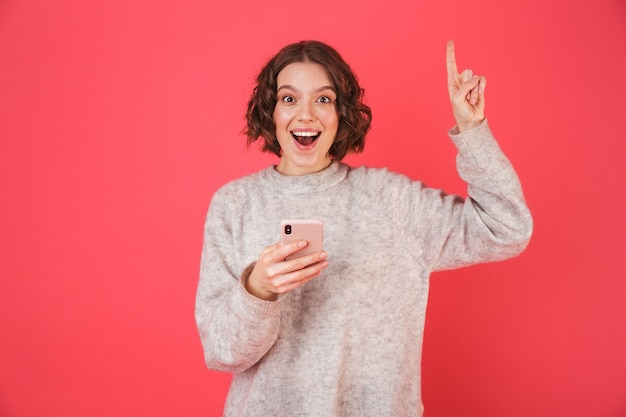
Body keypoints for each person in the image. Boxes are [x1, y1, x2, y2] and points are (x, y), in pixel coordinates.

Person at [195, 39, 533, 417]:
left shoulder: (389, 200)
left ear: (341, 113)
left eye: (323, 99)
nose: (305, 114)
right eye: (289, 99)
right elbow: (221, 353)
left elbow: (505, 228)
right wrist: (259, 288)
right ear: (270, 112)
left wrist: (473, 132)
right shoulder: (234, 205)